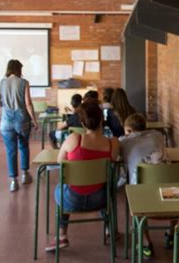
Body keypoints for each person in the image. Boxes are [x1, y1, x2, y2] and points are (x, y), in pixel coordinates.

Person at [45, 100, 120, 252]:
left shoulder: (74, 139)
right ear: (102, 119)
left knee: (61, 188)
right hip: (100, 200)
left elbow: (60, 161)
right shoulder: (113, 143)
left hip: (71, 200)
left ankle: (61, 236)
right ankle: (109, 230)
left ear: (82, 122)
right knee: (106, 185)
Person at [119, 113, 170, 259]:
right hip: (167, 191)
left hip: (142, 195)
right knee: (175, 182)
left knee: (133, 196)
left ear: (128, 131)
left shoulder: (124, 141)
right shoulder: (158, 136)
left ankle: (147, 243)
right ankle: (171, 233)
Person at [0, 59, 38, 192]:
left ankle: (13, 181)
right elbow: (28, 103)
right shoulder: (24, 83)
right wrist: (34, 120)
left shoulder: (1, 83)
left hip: (6, 122)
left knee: (10, 150)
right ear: (19, 69)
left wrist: (6, 106)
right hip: (22, 120)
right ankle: (25, 175)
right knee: (24, 146)